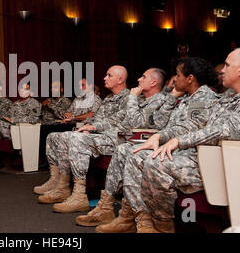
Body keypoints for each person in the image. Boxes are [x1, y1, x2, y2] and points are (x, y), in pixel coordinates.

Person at [136, 47, 240, 233]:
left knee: (157, 163)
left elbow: (228, 131)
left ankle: (163, 227)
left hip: (233, 167)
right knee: (145, 156)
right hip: (210, 158)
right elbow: (197, 124)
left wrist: (179, 141)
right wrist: (162, 136)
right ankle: (152, 223)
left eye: (227, 65)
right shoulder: (229, 96)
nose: (221, 69)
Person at [91, 57, 219, 233]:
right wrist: (171, 98)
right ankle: (131, 216)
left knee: (137, 156)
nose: (175, 79)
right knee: (126, 150)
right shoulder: (187, 97)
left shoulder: (203, 98)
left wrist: (160, 134)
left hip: (190, 153)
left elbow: (184, 129)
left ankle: (156, 224)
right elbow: (162, 122)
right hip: (173, 146)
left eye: (179, 75)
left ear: (190, 78)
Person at [50, 67, 174, 214]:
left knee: (78, 139)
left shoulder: (159, 101)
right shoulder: (139, 98)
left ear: (153, 82)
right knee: (71, 135)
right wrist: (93, 126)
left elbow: (136, 123)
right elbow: (116, 119)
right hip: (115, 135)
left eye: (143, 77)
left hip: (130, 139)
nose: (139, 80)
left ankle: (81, 196)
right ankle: (67, 188)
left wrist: (133, 98)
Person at [34, 66, 129, 207]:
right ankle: (61, 185)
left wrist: (92, 127)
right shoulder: (109, 98)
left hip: (115, 138)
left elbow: (117, 122)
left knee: (75, 138)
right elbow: (96, 118)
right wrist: (86, 125)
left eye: (109, 75)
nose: (104, 78)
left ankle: (79, 195)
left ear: (120, 79)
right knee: (54, 136)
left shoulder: (128, 98)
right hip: (98, 135)